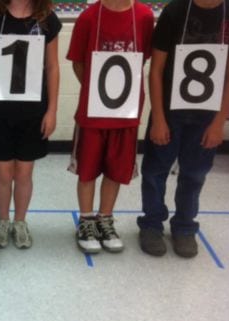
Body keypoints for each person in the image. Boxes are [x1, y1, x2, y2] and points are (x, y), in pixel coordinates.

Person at [137, 0, 229, 257]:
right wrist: (159, 118)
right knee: (154, 171)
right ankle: (151, 224)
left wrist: (219, 122)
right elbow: (157, 69)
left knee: (194, 174)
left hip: (207, 115)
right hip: (170, 111)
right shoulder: (175, 10)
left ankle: (184, 227)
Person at [67, 0, 154, 253]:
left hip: (126, 113)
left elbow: (143, 58)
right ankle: (86, 220)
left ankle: (105, 219)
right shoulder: (88, 17)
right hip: (93, 114)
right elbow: (78, 63)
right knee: (87, 169)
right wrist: (98, 94)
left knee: (115, 170)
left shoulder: (145, 16)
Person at [0, 0, 61, 248]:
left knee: (24, 173)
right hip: (0, 111)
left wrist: (52, 110)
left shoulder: (47, 20)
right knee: (3, 172)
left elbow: (53, 67)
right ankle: (3, 220)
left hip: (33, 112)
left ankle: (20, 221)